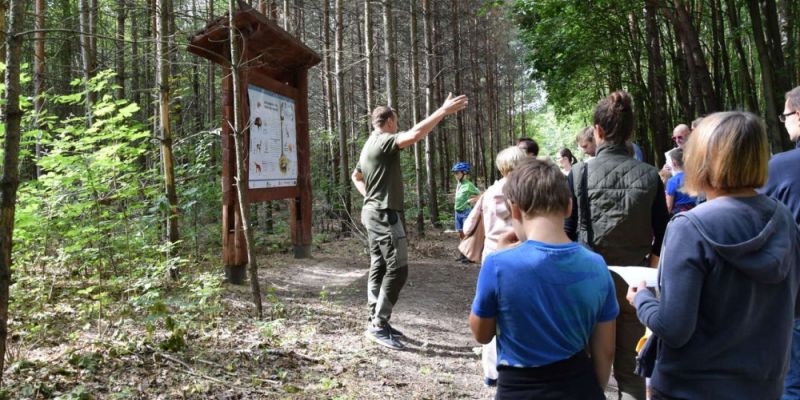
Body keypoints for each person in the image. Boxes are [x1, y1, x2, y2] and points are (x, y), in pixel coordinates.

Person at [627, 111, 800, 400]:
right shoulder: (783, 218)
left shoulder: (690, 227)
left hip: (691, 388)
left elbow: (673, 328)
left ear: (702, 159)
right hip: (763, 387)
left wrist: (642, 299)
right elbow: (794, 306)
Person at [470, 159, 617, 399]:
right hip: (580, 385)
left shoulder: (498, 265)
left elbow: (482, 334)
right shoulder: (597, 265)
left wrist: (497, 258)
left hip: (518, 390)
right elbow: (606, 349)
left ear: (514, 209)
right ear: (569, 207)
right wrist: (596, 391)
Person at [564, 91, 669, 400]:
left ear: (597, 131)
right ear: (630, 132)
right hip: (633, 284)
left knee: (583, 359)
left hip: (585, 280)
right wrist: (648, 271)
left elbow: (568, 232)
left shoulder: (579, 173)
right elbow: (664, 233)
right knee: (633, 368)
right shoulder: (651, 175)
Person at [352, 93, 468, 350]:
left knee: (379, 266)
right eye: (397, 121)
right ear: (390, 121)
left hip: (373, 211)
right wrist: (442, 111)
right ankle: (378, 325)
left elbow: (356, 176)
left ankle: (376, 318)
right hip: (383, 213)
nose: (398, 125)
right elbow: (415, 135)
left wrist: (369, 195)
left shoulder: (369, 143)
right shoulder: (383, 141)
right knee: (399, 268)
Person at [462, 145, 527, 386]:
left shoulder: (490, 190)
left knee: (490, 310)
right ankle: (514, 364)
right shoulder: (520, 190)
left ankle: (492, 372)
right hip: (517, 254)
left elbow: (471, 221)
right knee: (514, 310)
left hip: (492, 256)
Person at [761, 86, 800, 399]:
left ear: (798, 115)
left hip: (794, 292)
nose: (784, 121)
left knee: (792, 382)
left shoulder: (779, 167)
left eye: (785, 115)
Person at [452, 162, 480, 262]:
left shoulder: (469, 185)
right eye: (454, 173)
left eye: (457, 173)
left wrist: (473, 200)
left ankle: (470, 256)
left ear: (464, 173)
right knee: (461, 234)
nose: (455, 175)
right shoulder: (459, 184)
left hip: (466, 212)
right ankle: (462, 254)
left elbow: (481, 195)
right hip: (457, 212)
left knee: (467, 233)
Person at [664, 147, 697, 215]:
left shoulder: (672, 181)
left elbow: (669, 206)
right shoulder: (695, 177)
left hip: (679, 215)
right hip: (695, 213)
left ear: (674, 162)